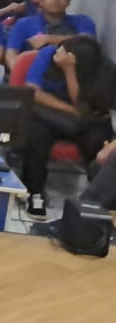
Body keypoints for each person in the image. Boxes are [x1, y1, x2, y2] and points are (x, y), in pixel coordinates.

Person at [19, 36, 114, 219]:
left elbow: (87, 106)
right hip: (51, 116)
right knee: (36, 133)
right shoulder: (48, 54)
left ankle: (97, 201)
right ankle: (35, 194)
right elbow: (33, 92)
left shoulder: (102, 68)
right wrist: (72, 110)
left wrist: (68, 70)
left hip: (87, 122)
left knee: (100, 138)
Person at [5, 0, 96, 68]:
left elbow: (89, 42)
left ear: (68, 2)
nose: (56, 1)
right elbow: (11, 53)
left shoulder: (83, 21)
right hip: (34, 73)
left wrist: (49, 39)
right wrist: (19, 74)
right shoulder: (24, 23)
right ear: (41, 2)